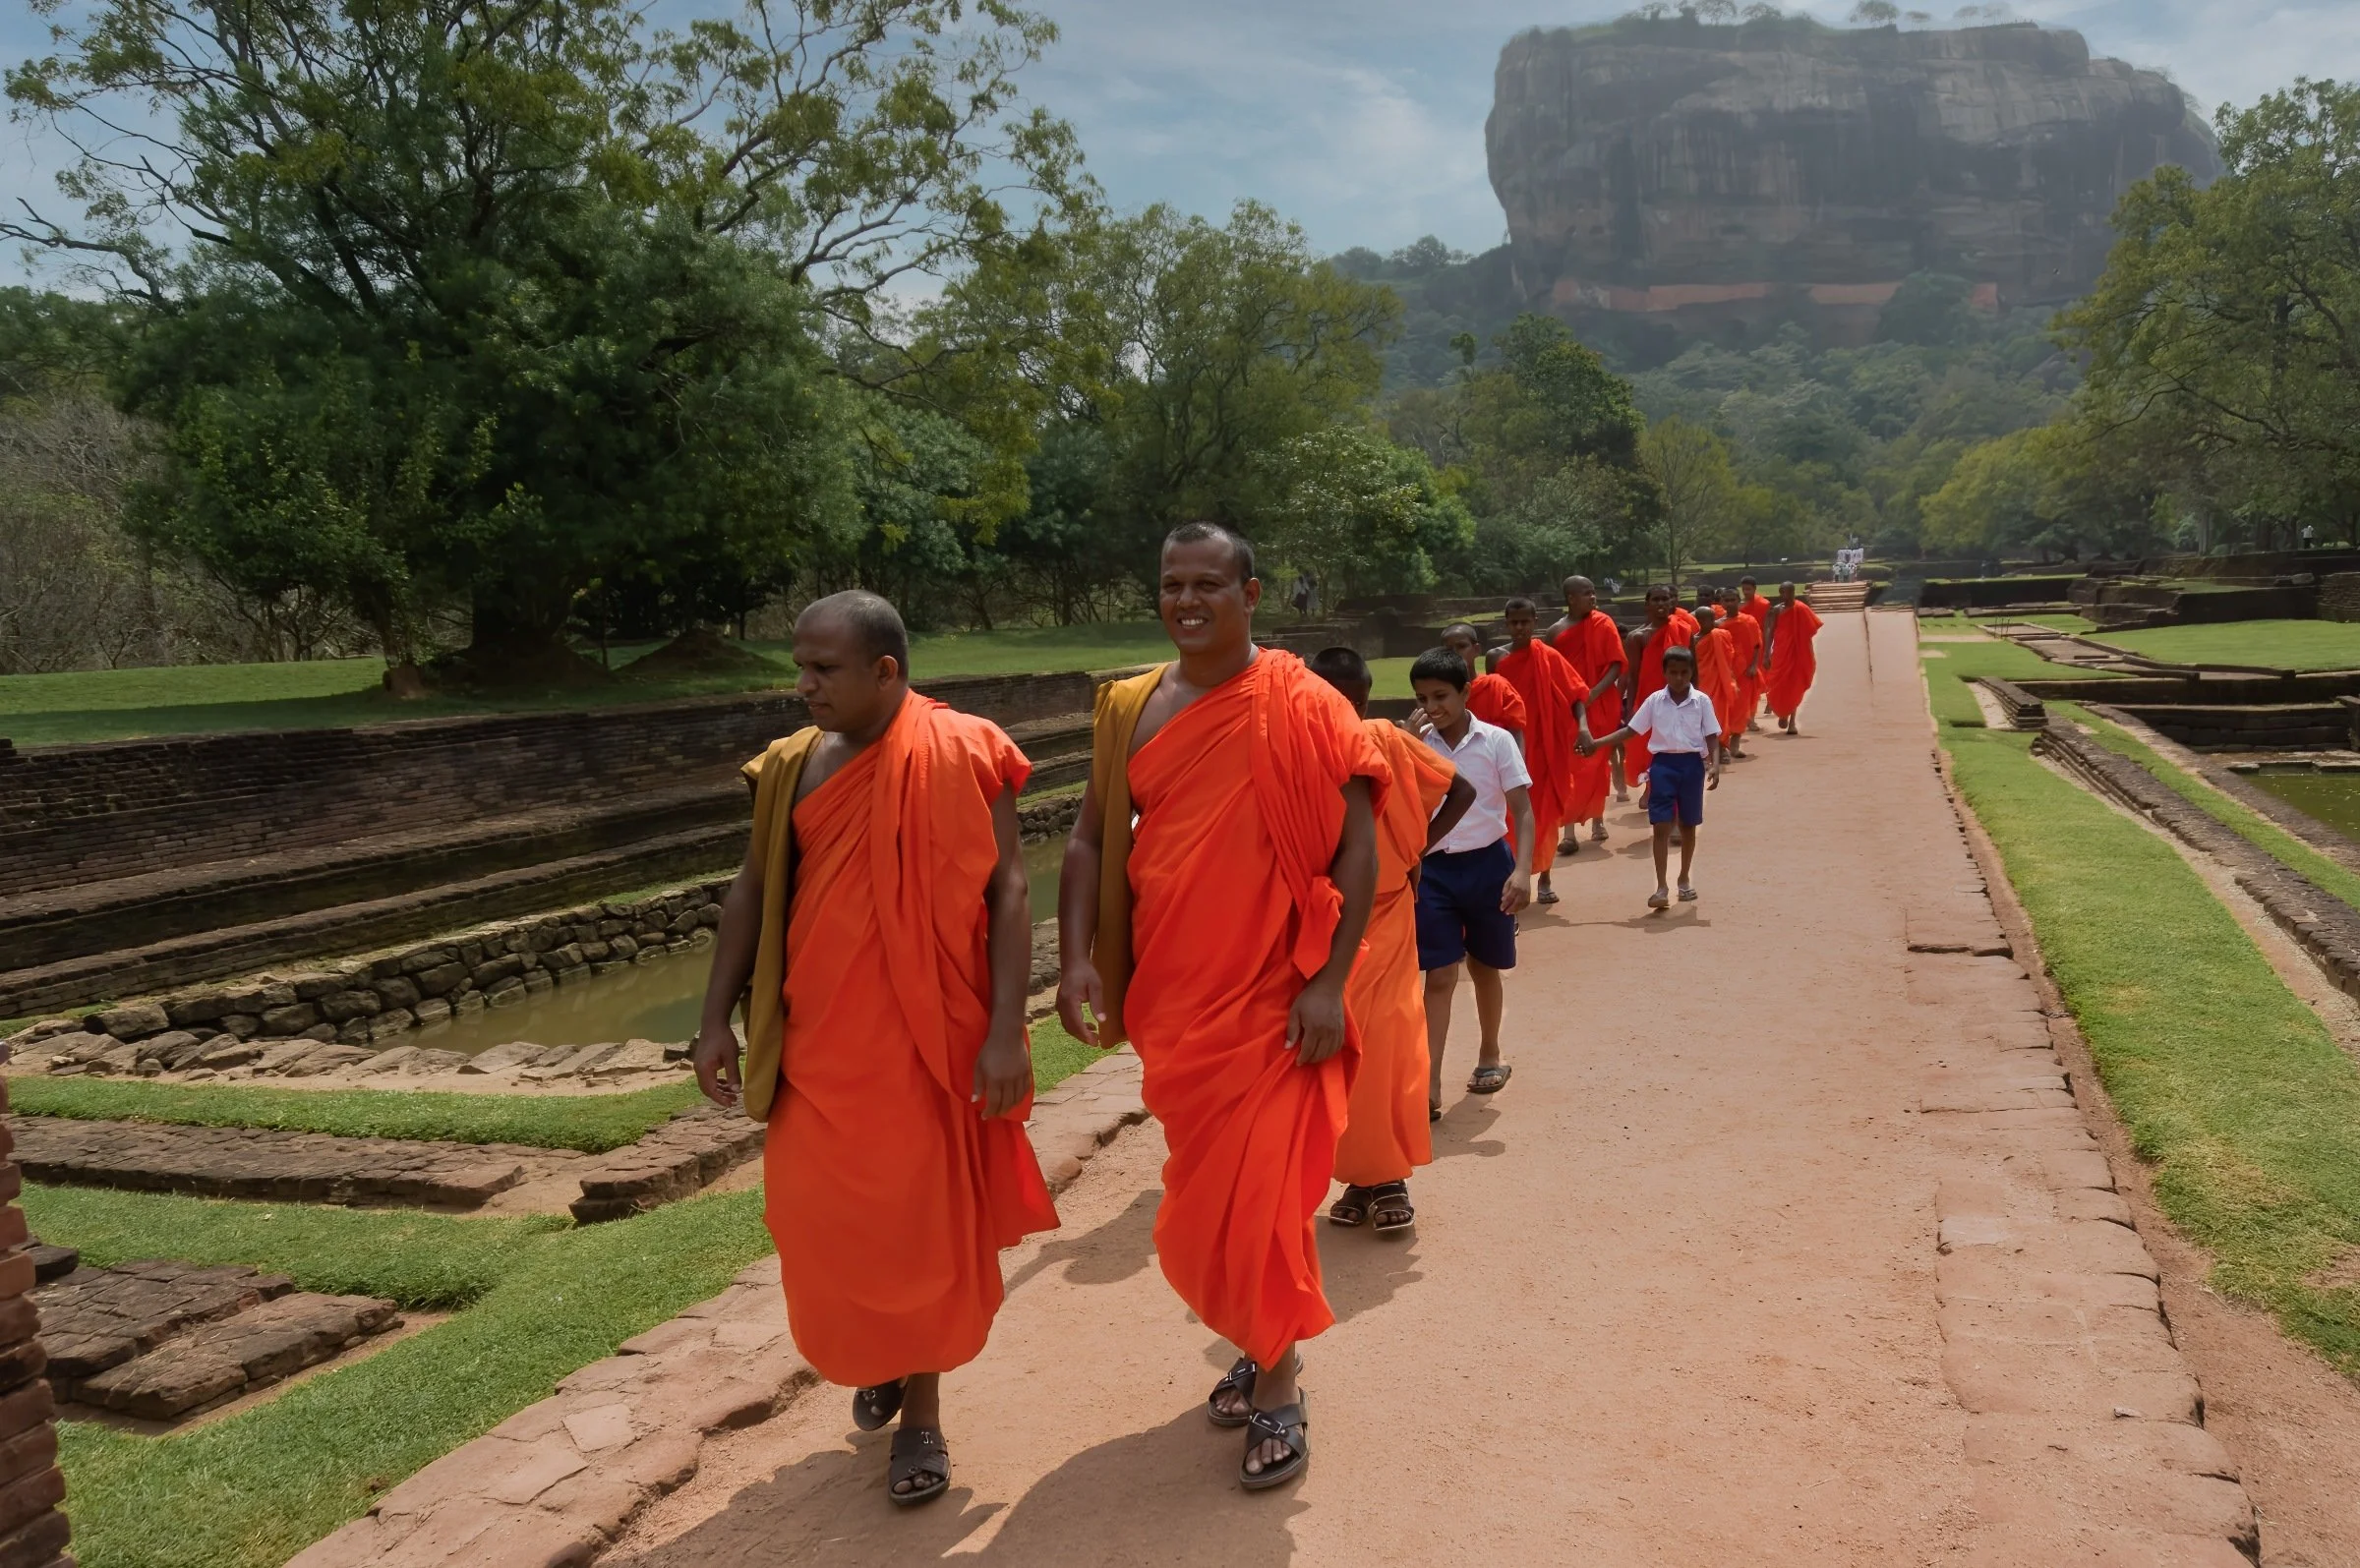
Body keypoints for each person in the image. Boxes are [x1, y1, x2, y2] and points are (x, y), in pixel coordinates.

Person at [692, 590, 1056, 1509]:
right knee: (818, 1221)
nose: (805, 686)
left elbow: (1009, 890)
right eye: (800, 669)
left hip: (928, 1041)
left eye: (824, 670)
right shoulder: (790, 766)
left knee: (922, 1227)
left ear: (885, 670)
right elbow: (751, 886)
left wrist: (1009, 1026)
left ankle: (923, 1411)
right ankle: (883, 1356)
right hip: (818, 1044)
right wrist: (712, 1017)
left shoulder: (964, 750)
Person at [1058, 523, 1383, 1492]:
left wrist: (1329, 980)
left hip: (1277, 996)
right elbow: (1087, 840)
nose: (1186, 599)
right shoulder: (1130, 707)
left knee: (1265, 1200)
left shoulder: (1306, 704)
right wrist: (1076, 957)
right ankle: (1258, 1334)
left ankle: (1278, 1382)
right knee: (1206, 1203)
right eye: (1170, 583)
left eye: (1208, 582)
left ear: (1252, 590)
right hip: (1177, 995)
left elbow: (1356, 849)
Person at [1308, 648, 1475, 1237]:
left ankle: (1388, 1176)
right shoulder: (1305, 749)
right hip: (1322, 926)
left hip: (1386, 915)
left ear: (1355, 699)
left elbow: (1463, 791)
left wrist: (1414, 848)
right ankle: (1360, 1177)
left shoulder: (1385, 739)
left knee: (1383, 1047)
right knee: (1335, 1050)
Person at [1410, 646, 1535, 1111]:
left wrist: (1522, 870)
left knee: (1485, 966)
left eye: (1441, 695)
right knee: (1439, 974)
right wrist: (1406, 741)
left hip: (1488, 866)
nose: (1432, 707)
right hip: (1435, 870)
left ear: (1466, 691)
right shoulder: (1418, 741)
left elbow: (1521, 808)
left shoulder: (1497, 741)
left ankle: (1489, 1054)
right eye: (1422, 698)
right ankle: (1429, 1083)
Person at [1580, 643, 1721, 910]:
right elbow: (1631, 731)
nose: (1679, 678)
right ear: (1665, 673)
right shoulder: (1655, 701)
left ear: (1691, 672)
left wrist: (1713, 765)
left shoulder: (1701, 701)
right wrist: (1597, 743)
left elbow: (1712, 736)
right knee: (1661, 826)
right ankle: (1661, 886)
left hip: (1692, 766)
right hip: (1663, 767)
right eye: (1673, 672)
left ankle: (1683, 878)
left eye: (1684, 672)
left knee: (1689, 825)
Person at [1493, 598, 1590, 904]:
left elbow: (1576, 695)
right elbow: (1491, 699)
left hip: (1548, 746)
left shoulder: (1548, 657)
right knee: (1510, 815)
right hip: (1511, 746)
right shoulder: (1497, 659)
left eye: (1525, 621)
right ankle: (1512, 877)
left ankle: (1545, 876)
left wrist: (1583, 727)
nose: (1520, 628)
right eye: (1514, 622)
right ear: (1506, 623)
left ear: (1535, 621)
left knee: (1545, 814)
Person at [1549, 575, 1625, 850]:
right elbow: (1552, 673)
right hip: (1569, 708)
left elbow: (1617, 664)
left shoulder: (1603, 623)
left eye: (1594, 593)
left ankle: (1597, 819)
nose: (1593, 597)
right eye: (1586, 593)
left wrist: (1593, 692)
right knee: (1571, 765)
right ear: (1571, 598)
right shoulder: (1556, 632)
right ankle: (1568, 831)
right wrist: (1573, 697)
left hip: (1601, 703)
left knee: (1597, 762)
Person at [1623, 586, 1696, 794]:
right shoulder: (1637, 637)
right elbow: (1633, 676)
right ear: (1647, 605)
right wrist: (1631, 708)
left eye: (1665, 599)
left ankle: (1671, 785)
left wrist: (1697, 700)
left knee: (1677, 742)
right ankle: (1650, 785)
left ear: (1672, 603)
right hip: (1649, 699)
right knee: (1649, 745)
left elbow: (1694, 669)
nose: (1661, 604)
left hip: (1681, 696)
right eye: (1655, 600)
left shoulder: (1684, 631)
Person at [1434, 621, 1528, 745]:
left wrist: (1517, 763)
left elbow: (1516, 732)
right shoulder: (1437, 693)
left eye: (1462, 646)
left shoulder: (1497, 686)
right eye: (1449, 649)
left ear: (1476, 649)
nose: (1455, 653)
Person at [1764, 581, 1826, 734]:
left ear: (1793, 593)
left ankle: (1792, 721)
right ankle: (1782, 712)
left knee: (1795, 686)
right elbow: (1770, 632)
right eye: (1783, 593)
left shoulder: (1802, 609)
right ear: (1780, 593)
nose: (1786, 596)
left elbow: (1811, 629)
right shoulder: (1777, 610)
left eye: (1789, 592)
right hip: (1780, 652)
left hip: (1798, 653)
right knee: (1777, 684)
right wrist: (1766, 653)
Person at [1690, 602, 1744, 761]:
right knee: (1702, 718)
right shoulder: (1693, 640)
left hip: (1719, 682)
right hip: (1701, 683)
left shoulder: (1721, 635)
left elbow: (1728, 659)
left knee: (1720, 715)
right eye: (1705, 619)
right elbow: (1691, 663)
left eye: (1712, 619)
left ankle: (1721, 749)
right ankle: (1706, 751)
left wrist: (1731, 679)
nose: (1710, 622)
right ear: (1699, 620)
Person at [1719, 588, 1766, 753]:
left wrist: (1754, 665)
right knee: (1724, 708)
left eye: (1733, 600)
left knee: (1741, 707)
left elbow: (1757, 644)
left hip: (1745, 671)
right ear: (1721, 602)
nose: (1730, 603)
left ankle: (1735, 743)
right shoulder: (1718, 625)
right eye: (1726, 600)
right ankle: (1723, 743)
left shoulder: (1749, 621)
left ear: (1738, 601)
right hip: (1725, 672)